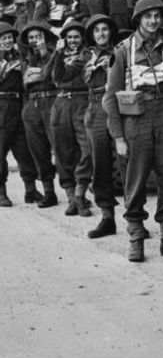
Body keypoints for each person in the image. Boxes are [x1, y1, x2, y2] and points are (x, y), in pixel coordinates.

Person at [102, 0, 163, 262]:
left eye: (157, 16)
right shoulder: (123, 52)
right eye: (148, 16)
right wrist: (118, 136)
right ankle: (136, 238)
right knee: (136, 182)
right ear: (138, 20)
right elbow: (110, 98)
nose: (153, 21)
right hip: (136, 121)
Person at [48, 18, 93, 217]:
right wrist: (57, 53)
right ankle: (71, 198)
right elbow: (51, 76)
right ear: (64, 39)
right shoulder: (58, 54)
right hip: (60, 104)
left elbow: (62, 76)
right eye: (69, 37)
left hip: (82, 102)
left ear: (82, 38)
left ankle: (80, 193)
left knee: (87, 150)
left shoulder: (87, 54)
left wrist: (57, 60)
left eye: (76, 37)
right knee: (62, 151)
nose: (73, 40)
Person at [83, 14, 120, 238]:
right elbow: (67, 77)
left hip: (118, 106)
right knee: (101, 165)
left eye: (105, 30)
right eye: (97, 31)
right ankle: (107, 218)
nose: (101, 34)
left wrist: (113, 67)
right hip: (96, 107)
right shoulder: (86, 57)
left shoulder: (121, 53)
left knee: (130, 164)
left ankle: (136, 220)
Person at [20, 21, 60, 208]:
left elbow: (51, 75)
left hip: (52, 101)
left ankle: (76, 192)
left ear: (44, 37)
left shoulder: (54, 54)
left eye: (38, 36)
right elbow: (25, 81)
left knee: (61, 149)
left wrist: (45, 57)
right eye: (31, 38)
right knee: (38, 150)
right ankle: (49, 192)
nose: (35, 41)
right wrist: (36, 73)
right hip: (32, 104)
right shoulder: (24, 58)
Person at [0, 22, 39, 206]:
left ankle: (30, 189)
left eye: (10, 38)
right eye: (4, 38)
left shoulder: (19, 57)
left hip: (19, 103)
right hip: (2, 105)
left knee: (24, 149)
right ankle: (1, 192)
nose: (8, 41)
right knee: (1, 149)